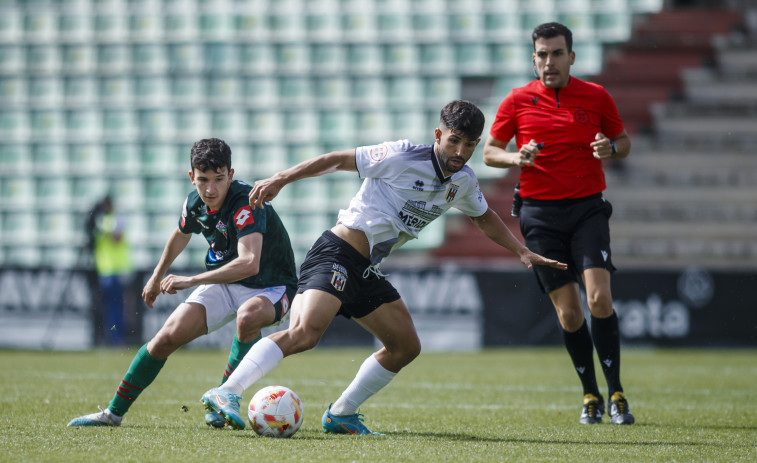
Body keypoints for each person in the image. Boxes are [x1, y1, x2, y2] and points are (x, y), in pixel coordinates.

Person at [200, 100, 567, 434]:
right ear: (438, 134)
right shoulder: (402, 154)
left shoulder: (463, 181)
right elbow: (337, 159)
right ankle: (226, 391)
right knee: (304, 333)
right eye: (454, 141)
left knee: (405, 346)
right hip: (338, 251)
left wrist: (521, 251)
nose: (460, 152)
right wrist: (282, 178)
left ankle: (341, 414)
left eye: (469, 145)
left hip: (366, 268)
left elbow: (484, 218)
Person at [68, 138, 298, 428]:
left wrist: (191, 280)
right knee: (165, 338)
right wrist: (156, 275)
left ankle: (226, 395)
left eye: (219, 179)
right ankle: (113, 414)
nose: (211, 189)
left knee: (249, 316)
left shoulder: (247, 201)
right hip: (225, 282)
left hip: (272, 286)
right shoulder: (194, 202)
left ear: (231, 173)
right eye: (203, 180)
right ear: (192, 177)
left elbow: (249, 263)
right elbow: (181, 233)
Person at [482, 23, 634, 425]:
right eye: (542, 54)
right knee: (569, 315)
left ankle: (617, 391)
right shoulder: (517, 100)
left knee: (599, 298)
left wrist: (610, 148)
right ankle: (590, 396)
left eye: (557, 53)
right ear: (534, 59)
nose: (549, 61)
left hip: (587, 209)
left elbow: (623, 142)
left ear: (572, 57)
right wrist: (517, 159)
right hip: (540, 216)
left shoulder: (596, 96)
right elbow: (490, 152)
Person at [87, 194, 134, 346]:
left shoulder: (106, 222)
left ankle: (115, 338)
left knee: (115, 308)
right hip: (110, 272)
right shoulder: (108, 221)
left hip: (111, 272)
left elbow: (116, 238)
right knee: (113, 308)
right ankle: (115, 338)